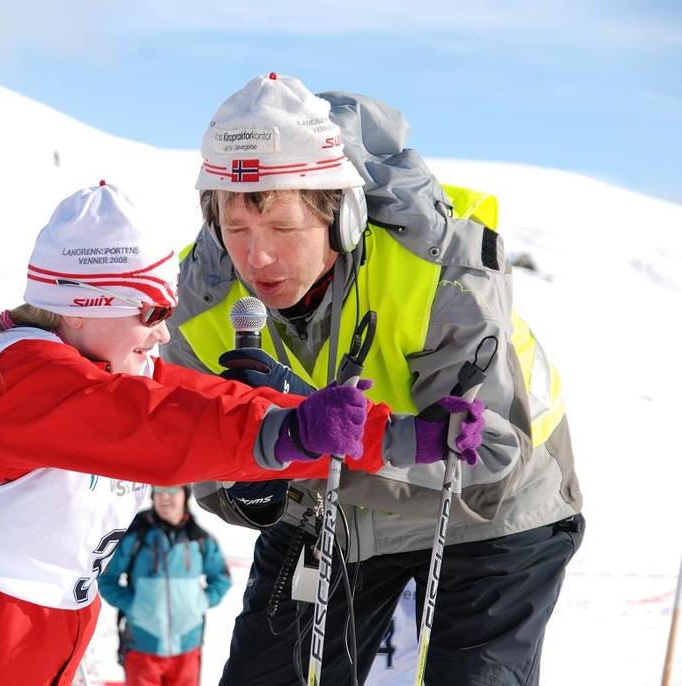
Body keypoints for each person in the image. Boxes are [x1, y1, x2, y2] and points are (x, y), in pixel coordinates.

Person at [0, 181, 469, 686]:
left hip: (36, 623)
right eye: (150, 313)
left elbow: (218, 401)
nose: (161, 334)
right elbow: (154, 428)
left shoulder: (109, 365)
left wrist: (397, 437)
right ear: (83, 305)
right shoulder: (21, 375)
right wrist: (292, 433)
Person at [162, 72, 584, 685]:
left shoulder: (436, 267)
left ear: (340, 218)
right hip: (325, 514)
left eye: (283, 229)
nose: (257, 259)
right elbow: (199, 461)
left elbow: (489, 459)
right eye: (237, 231)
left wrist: (305, 415)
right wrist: (248, 478)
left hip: (489, 511)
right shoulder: (200, 305)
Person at [98, 485, 231, 686]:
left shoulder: (199, 539)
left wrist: (201, 602)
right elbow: (106, 579)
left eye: (171, 492)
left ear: (185, 496)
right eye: (159, 492)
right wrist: (133, 605)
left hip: (187, 646)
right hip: (142, 645)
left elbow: (221, 577)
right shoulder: (136, 537)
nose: (164, 498)